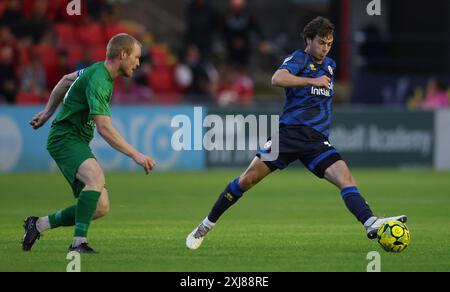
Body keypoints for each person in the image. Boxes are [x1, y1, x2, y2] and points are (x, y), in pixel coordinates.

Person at [186, 17, 406, 250]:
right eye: (321, 42)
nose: (325, 48)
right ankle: (206, 225)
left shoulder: (330, 64)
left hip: (316, 140)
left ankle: (371, 223)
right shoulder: (299, 58)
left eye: (329, 44)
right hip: (288, 135)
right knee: (247, 180)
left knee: (346, 180)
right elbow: (276, 79)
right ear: (308, 40)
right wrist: (311, 80)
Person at [22, 33, 156, 254]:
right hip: (65, 138)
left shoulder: (96, 71)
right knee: (96, 178)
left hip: (76, 139)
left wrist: (47, 113)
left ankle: (38, 225)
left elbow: (66, 79)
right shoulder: (99, 81)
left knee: (100, 207)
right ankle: (78, 244)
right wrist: (136, 155)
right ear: (123, 54)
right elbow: (103, 127)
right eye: (136, 57)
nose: (138, 63)